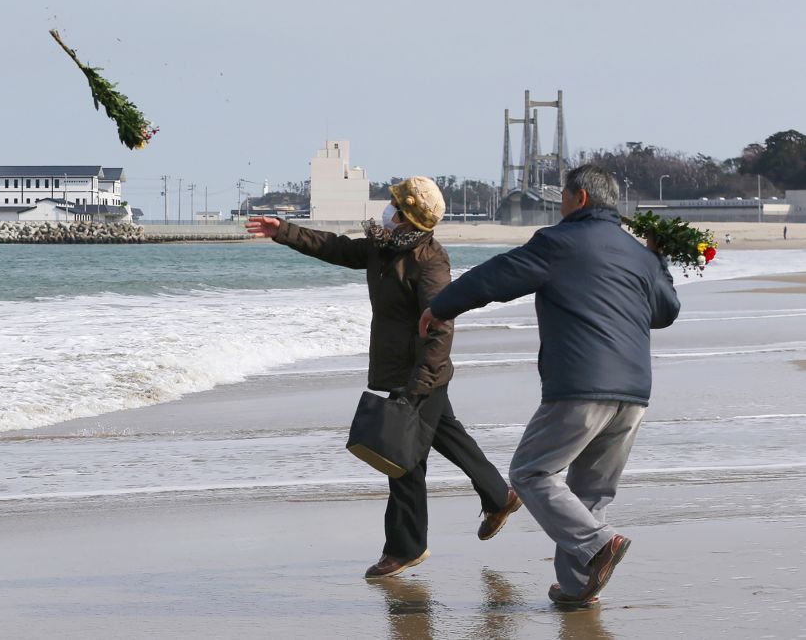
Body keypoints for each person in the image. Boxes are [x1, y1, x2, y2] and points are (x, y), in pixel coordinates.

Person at [419, 165, 680, 606]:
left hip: (581, 384)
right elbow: (665, 311)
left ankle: (600, 545)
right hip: (634, 393)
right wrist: (660, 259)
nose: (558, 203)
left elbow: (497, 277)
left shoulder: (558, 243)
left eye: (562, 195)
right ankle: (579, 585)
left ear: (578, 199)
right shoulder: (640, 255)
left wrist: (442, 305)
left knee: (531, 472)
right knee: (590, 492)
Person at [246, 176, 521, 580]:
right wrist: (283, 231)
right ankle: (500, 496)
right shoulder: (384, 247)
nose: (386, 211)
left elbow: (441, 330)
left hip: (419, 374)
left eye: (395, 206)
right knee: (447, 435)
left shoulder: (430, 261)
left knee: (402, 459)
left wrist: (415, 389)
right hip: (399, 369)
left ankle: (406, 548)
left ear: (409, 220)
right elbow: (335, 247)